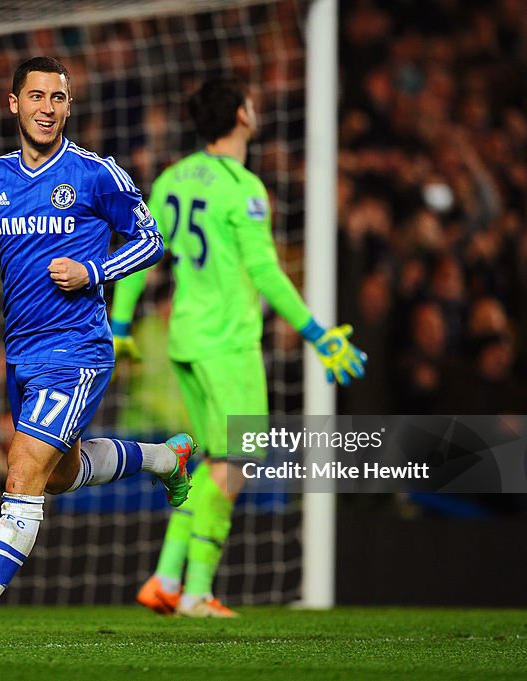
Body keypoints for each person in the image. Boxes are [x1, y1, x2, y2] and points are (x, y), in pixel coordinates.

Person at [0, 56, 196, 646]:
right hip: (22, 356)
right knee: (57, 474)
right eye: (36, 97)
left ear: (69, 106)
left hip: (78, 350)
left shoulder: (96, 174)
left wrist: (92, 269)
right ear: (13, 103)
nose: (47, 108)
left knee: (21, 469)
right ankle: (166, 460)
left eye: (58, 98)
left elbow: (151, 240)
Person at [110, 77, 367, 618]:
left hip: (184, 339)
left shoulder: (173, 178)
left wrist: (121, 324)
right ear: (243, 115)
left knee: (213, 463)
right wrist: (317, 334)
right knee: (237, 462)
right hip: (227, 343)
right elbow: (265, 272)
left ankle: (163, 577)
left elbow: (140, 251)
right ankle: (198, 592)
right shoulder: (244, 186)